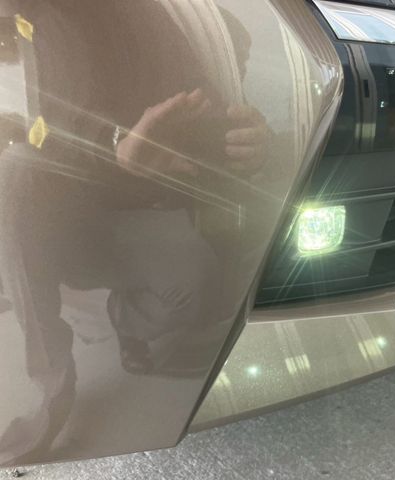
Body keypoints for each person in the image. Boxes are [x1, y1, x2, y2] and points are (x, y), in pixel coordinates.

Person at [0, 0, 266, 465]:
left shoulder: (132, 18)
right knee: (15, 170)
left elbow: (203, 125)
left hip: (119, 213)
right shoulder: (19, 34)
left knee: (195, 283)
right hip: (40, 218)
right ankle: (53, 388)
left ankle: (125, 320)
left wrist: (253, 152)